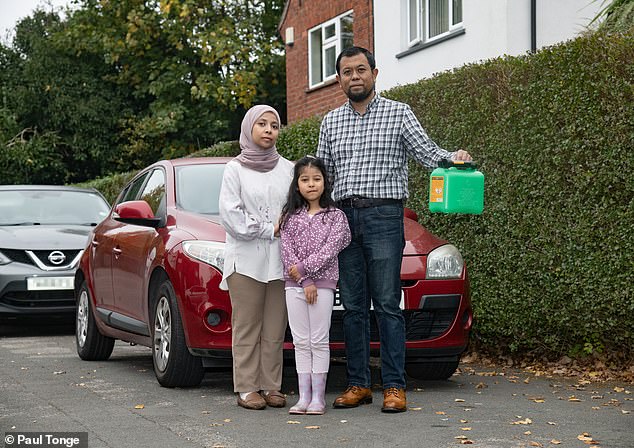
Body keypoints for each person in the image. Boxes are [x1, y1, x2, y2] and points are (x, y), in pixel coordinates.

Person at [316, 46, 472, 413]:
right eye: (347, 72)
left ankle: (394, 386)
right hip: (343, 218)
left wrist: (454, 158)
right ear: (339, 79)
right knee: (353, 305)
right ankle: (357, 384)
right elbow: (321, 176)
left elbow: (427, 152)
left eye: (360, 70)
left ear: (374, 73)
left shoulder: (398, 113)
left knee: (387, 303)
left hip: (385, 218)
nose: (354, 77)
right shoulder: (330, 122)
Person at [219, 105, 294, 410]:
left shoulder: (289, 169)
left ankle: (271, 386)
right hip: (245, 261)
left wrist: (286, 228)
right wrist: (268, 228)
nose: (268, 130)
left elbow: (296, 208)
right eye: (261, 124)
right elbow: (230, 215)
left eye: (274, 125)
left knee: (276, 327)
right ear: (249, 128)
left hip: (281, 261)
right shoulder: (234, 169)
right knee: (247, 326)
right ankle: (247, 387)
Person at [279, 156, 351, 415]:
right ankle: (303, 397)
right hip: (295, 286)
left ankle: (318, 398)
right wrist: (303, 279)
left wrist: (307, 273)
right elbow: (286, 252)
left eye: (317, 179)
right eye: (305, 180)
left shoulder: (336, 217)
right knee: (301, 341)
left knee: (319, 340)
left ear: (325, 182)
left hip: (323, 285)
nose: (311, 184)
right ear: (297, 185)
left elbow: (331, 249)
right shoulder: (289, 217)